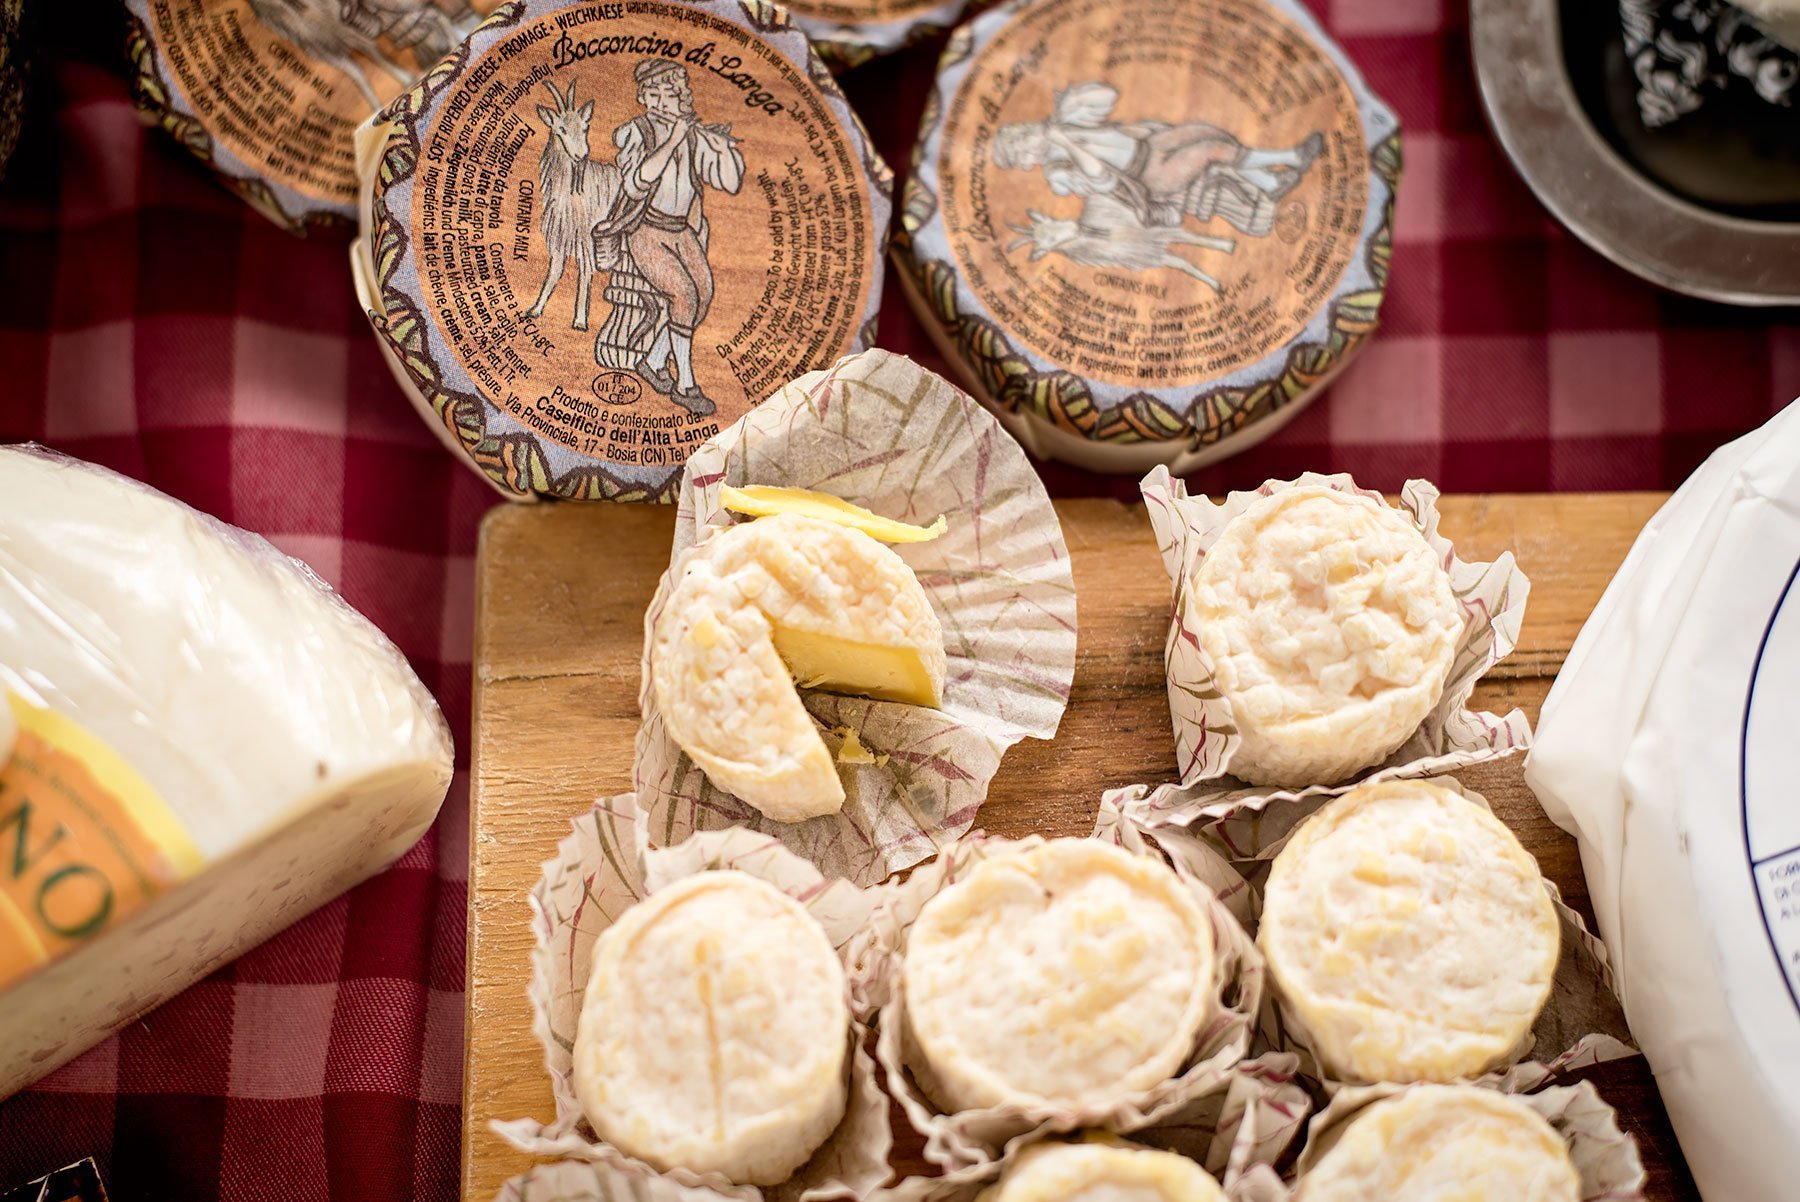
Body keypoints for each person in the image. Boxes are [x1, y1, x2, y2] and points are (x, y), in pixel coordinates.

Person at [592, 59, 745, 416]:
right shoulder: (636, 131)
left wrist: (722, 148)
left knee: (703, 296)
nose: (662, 103)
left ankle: (654, 361)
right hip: (645, 228)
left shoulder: (693, 135)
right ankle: (685, 384)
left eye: (670, 95)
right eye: (654, 94)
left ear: (682, 98)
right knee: (683, 295)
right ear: (643, 96)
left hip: (681, 230)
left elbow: (732, 182)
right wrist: (673, 139)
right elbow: (635, 182)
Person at [992, 83, 1321, 233]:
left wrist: (1067, 111)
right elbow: (1102, 178)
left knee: (1208, 133)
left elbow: (1109, 95)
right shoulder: (1057, 173)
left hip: (1150, 143)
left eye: (1024, 132)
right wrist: (1064, 140)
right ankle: (1280, 169)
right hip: (1149, 175)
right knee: (1209, 152)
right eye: (1022, 143)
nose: (1029, 135)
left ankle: (1280, 169)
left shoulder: (1063, 122)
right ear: (1025, 156)